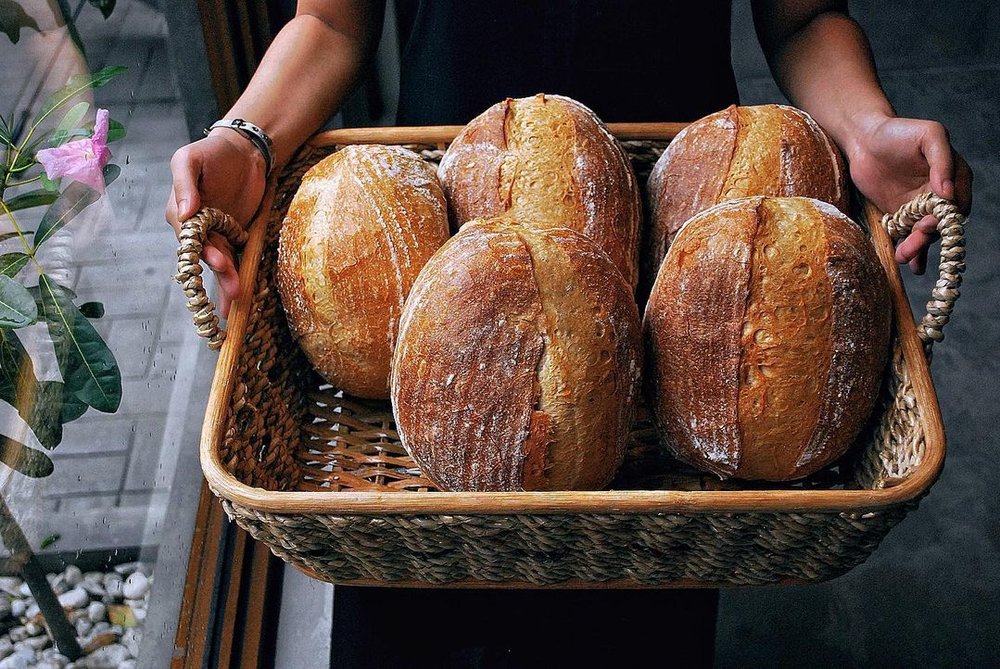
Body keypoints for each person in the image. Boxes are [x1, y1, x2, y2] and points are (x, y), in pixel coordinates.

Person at [166, 2, 973, 667]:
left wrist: (865, 126)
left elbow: (802, 18)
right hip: (434, 242)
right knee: (410, 631)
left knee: (631, 635)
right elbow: (332, 22)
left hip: (685, 276)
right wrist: (249, 137)